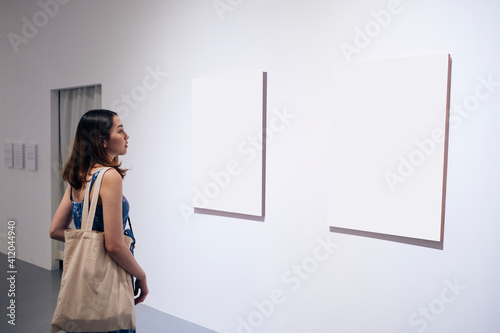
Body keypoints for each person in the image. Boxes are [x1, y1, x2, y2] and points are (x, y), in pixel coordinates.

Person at [50, 109, 148, 333]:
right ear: (102, 141)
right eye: (120, 130)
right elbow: (113, 245)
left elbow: (55, 230)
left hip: (85, 277)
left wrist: (86, 243)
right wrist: (141, 276)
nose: (127, 136)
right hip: (109, 276)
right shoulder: (109, 176)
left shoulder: (79, 175)